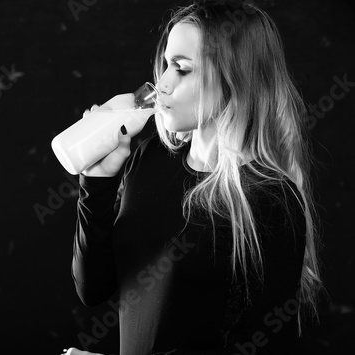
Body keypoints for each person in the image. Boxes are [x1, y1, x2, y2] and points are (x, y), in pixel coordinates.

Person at [68, 1, 324, 354]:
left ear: (235, 79)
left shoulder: (269, 200)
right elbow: (93, 288)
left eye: (182, 70)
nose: (163, 84)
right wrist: (96, 182)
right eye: (165, 65)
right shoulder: (150, 158)